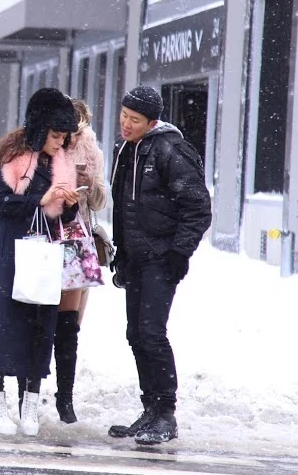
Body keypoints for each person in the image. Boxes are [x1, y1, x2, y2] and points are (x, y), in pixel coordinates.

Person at [0, 88, 80, 437]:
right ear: (41, 130)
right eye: (56, 135)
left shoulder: (62, 161)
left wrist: (67, 203)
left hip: (45, 252)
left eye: (65, 136)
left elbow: (66, 214)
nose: (60, 142)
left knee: (41, 322)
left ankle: (30, 398)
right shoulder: (14, 156)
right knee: (3, 320)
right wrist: (41, 199)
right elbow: (1, 202)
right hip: (10, 251)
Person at [108, 86, 211, 445]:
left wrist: (178, 253)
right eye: (123, 116)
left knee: (152, 333)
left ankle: (166, 413)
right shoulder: (126, 150)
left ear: (152, 122)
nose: (125, 124)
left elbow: (198, 208)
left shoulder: (171, 150)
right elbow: (122, 206)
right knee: (135, 334)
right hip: (135, 257)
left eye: (134, 120)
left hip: (160, 257)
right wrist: (120, 251)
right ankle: (150, 409)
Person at [53, 99, 108, 424]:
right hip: (47, 239)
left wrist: (90, 175)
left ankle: (65, 398)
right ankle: (32, 391)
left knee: (70, 326)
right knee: (44, 322)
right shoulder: (48, 147)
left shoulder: (91, 151)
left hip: (78, 241)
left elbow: (101, 201)